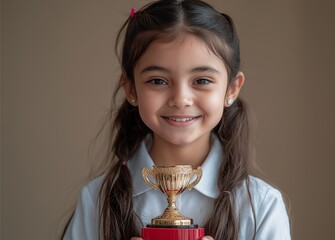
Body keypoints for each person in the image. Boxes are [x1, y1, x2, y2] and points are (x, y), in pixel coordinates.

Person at [62, 0, 291, 239]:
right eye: (158, 81)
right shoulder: (98, 200)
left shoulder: (261, 206)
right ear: (130, 89)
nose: (181, 99)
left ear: (232, 89)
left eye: (202, 81)